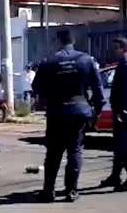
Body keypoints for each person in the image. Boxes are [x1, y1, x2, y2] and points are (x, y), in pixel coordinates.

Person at [32, 38, 105, 202]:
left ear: (58, 42)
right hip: (79, 110)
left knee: (53, 153)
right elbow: (97, 87)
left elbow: (36, 87)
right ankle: (71, 191)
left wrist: (49, 97)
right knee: (75, 150)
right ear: (73, 42)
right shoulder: (86, 60)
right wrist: (97, 110)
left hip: (57, 111)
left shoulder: (48, 62)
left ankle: (48, 191)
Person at [100, 37, 127, 191]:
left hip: (126, 111)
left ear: (124, 49)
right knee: (119, 145)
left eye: (115, 48)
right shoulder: (123, 64)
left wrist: (123, 110)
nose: (113, 51)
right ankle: (115, 176)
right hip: (121, 110)